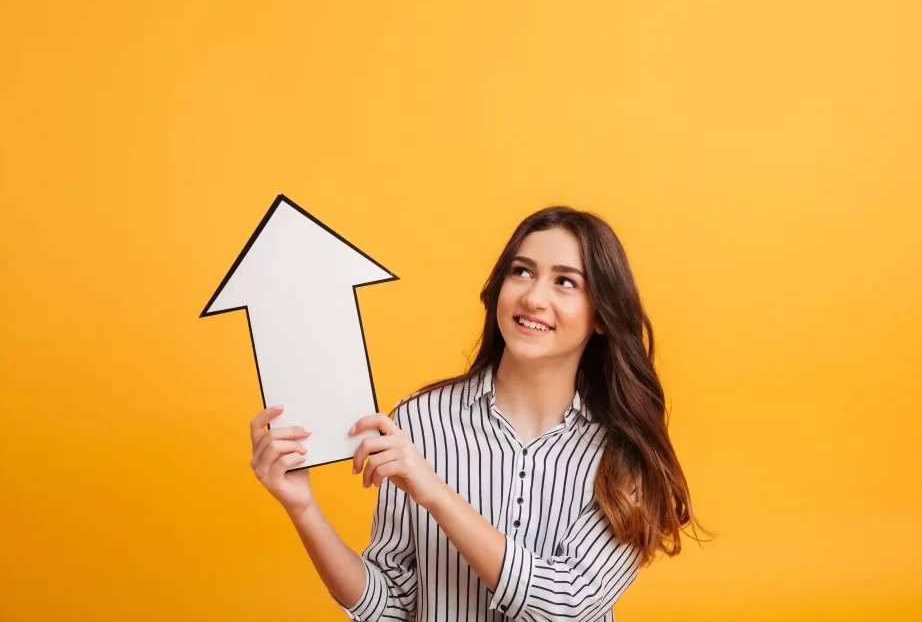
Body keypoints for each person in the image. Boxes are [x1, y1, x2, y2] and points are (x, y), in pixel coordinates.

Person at [248, 205, 715, 621]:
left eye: (565, 282)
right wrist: (303, 508)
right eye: (521, 272)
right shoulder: (419, 423)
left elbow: (568, 606)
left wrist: (435, 493)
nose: (534, 297)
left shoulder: (624, 454)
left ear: (601, 315)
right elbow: (388, 603)